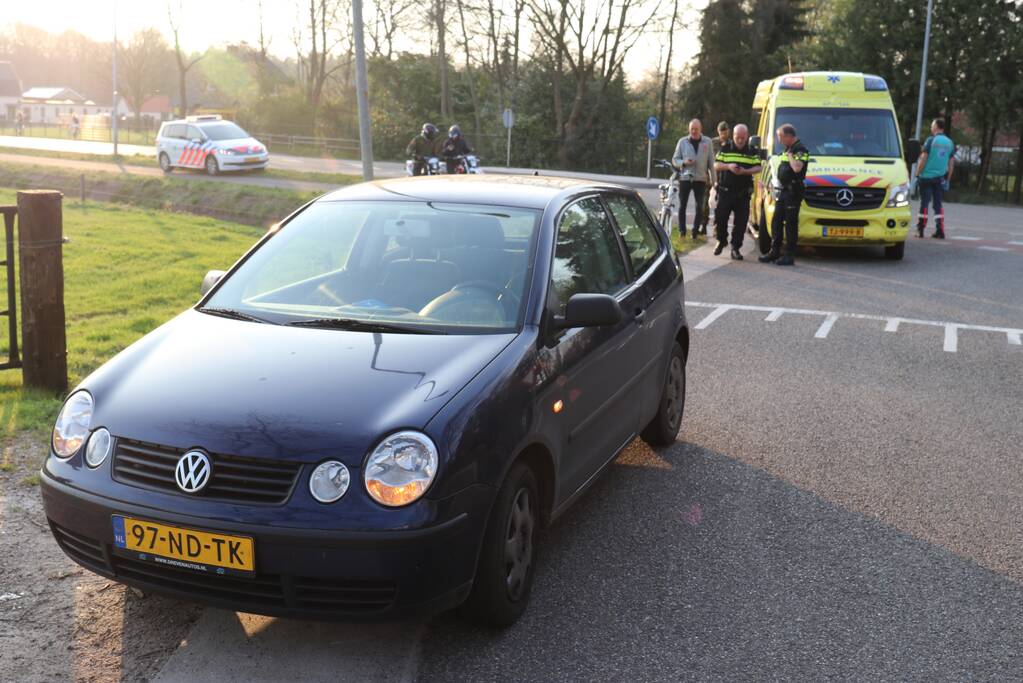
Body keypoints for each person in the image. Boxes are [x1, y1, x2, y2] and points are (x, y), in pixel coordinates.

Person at [759, 124, 809, 266]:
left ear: (788, 136)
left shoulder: (800, 150)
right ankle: (774, 251)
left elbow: (797, 168)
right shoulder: (788, 149)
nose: (779, 140)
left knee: (791, 224)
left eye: (781, 137)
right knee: (776, 221)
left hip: (793, 192)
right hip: (784, 191)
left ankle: (789, 255)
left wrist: (790, 156)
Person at [712, 123, 761, 260]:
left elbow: (758, 167)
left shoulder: (752, 151)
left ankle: (735, 248)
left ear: (747, 137)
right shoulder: (725, 148)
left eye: (742, 137)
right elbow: (716, 165)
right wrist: (728, 166)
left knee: (740, 223)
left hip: (742, 194)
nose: (739, 140)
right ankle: (721, 240)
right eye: (737, 137)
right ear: (733, 136)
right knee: (720, 219)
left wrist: (745, 171)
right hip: (725, 191)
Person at [672, 119, 715, 239]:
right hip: (685, 177)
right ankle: (682, 231)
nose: (694, 131)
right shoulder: (682, 142)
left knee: (699, 206)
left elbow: (711, 163)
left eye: (696, 129)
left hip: (700, 178)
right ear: (689, 129)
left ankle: (695, 231)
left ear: (701, 129)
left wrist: (714, 181)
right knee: (682, 205)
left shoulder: (708, 142)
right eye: (692, 129)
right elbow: (675, 160)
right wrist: (684, 162)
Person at [915, 117, 955, 239]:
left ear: (937, 127)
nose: (931, 128)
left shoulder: (931, 140)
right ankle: (940, 230)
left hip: (926, 177)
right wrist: (947, 179)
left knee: (924, 203)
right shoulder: (949, 143)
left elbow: (923, 158)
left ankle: (921, 229)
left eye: (932, 125)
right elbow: (951, 163)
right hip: (940, 178)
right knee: (938, 205)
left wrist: (917, 174)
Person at [702, 121, 731, 234]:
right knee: (704, 203)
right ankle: (703, 225)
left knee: (719, 205)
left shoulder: (730, 144)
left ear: (728, 132)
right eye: (721, 133)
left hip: (722, 179)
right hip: (709, 176)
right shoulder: (712, 143)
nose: (723, 135)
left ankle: (716, 228)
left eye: (725, 132)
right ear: (718, 132)